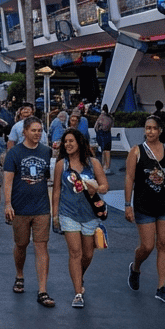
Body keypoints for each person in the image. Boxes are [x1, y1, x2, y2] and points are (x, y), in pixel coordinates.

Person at [51, 127, 108, 309]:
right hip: (68, 214)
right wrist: (55, 215)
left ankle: (78, 275)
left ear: (79, 143)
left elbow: (105, 186)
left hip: (90, 215)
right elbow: (57, 191)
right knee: (75, 253)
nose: (67, 144)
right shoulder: (62, 165)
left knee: (88, 254)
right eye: (65, 141)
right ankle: (77, 292)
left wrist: (96, 188)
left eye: (71, 141)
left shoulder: (93, 163)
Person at [3, 116, 55, 307]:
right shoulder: (14, 153)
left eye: (40, 130)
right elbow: (8, 180)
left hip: (41, 208)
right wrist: (8, 204)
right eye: (33, 130)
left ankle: (42, 290)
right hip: (20, 208)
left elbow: (49, 177)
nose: (37, 133)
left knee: (41, 246)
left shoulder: (46, 152)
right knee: (21, 244)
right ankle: (19, 274)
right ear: (24, 132)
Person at [124, 115, 165, 302]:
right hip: (144, 206)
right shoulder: (137, 151)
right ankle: (135, 267)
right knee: (148, 246)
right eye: (147, 128)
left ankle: (161, 287)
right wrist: (128, 205)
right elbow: (129, 178)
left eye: (153, 128)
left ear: (160, 130)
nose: (149, 131)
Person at [94, 104, 115, 172]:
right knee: (108, 150)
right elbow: (112, 125)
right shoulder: (110, 117)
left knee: (103, 150)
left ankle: (103, 166)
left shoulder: (101, 117)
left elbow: (96, 126)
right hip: (108, 134)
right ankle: (108, 166)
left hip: (102, 134)